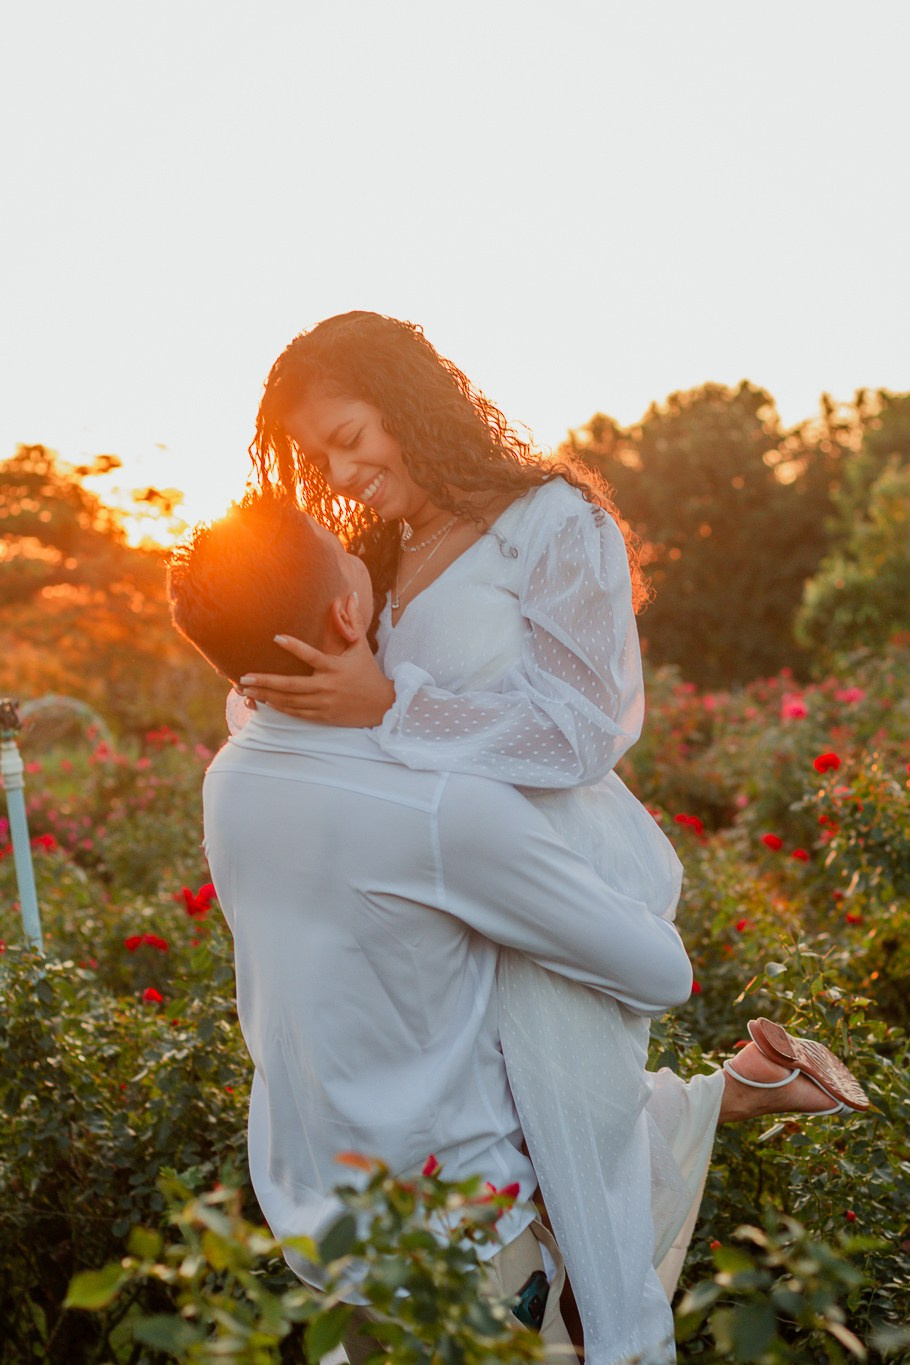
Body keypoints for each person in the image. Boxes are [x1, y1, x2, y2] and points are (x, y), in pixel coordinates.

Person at [232, 312, 869, 1363]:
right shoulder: (374, 554)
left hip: (551, 881)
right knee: (479, 1172)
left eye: (350, 436)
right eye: (316, 458)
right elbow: (334, 712)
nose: (339, 471)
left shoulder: (553, 521)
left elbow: (581, 728)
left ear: (408, 402)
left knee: (582, 1180)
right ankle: (736, 1094)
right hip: (427, 890)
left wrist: (389, 702)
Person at [167, 492, 699, 1363]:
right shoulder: (439, 810)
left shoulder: (230, 778)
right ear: (346, 611)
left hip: (333, 1246)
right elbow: (660, 973)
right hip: (467, 1261)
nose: (361, 549)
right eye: (341, 551)